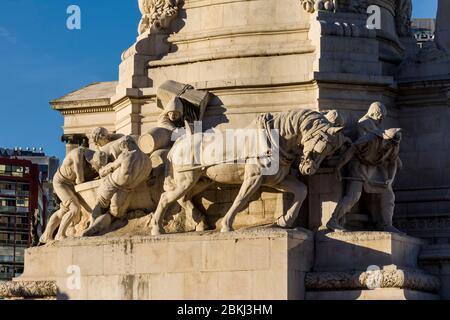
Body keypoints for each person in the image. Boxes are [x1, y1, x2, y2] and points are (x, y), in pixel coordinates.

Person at [326, 128, 404, 234]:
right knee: (354, 195)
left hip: (373, 168)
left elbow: (393, 162)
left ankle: (387, 225)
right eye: (388, 143)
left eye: (392, 144)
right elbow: (352, 150)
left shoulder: (394, 145)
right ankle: (333, 220)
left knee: (388, 194)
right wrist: (338, 167)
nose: (389, 146)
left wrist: (390, 178)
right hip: (358, 165)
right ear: (384, 138)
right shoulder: (369, 138)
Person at [82, 136, 152, 236]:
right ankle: (98, 228)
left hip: (111, 183)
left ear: (126, 145)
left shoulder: (126, 155)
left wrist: (102, 171)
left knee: (100, 205)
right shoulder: (147, 160)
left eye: (122, 147)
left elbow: (110, 167)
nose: (122, 149)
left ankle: (92, 227)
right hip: (126, 190)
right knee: (113, 214)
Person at [39, 148, 108, 243]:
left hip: (70, 184)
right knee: (75, 209)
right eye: (94, 166)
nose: (93, 169)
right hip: (60, 182)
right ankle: (60, 234)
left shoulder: (90, 162)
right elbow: (80, 180)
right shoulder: (78, 154)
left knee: (63, 211)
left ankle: (46, 235)